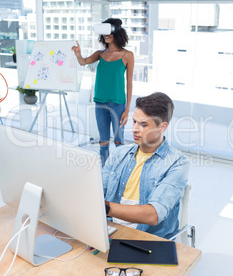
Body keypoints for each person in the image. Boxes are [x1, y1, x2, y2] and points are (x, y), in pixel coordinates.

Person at [103, 92, 189, 239]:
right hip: (111, 230)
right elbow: (98, 192)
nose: (135, 129)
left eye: (143, 124)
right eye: (134, 121)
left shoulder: (177, 163)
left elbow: (153, 215)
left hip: (147, 238)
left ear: (162, 127)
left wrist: (104, 208)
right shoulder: (119, 154)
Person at [72, 18, 134, 166]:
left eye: (109, 32)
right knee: (103, 141)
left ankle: (120, 169)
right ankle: (104, 171)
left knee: (119, 140)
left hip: (118, 104)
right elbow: (83, 62)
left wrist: (127, 109)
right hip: (100, 102)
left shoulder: (127, 55)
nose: (106, 36)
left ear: (117, 33)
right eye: (104, 33)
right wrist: (78, 54)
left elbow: (130, 83)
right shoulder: (100, 54)